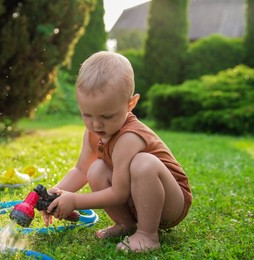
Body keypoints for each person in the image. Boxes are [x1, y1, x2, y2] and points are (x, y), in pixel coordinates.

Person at [42, 51, 192, 253]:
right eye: (87, 114)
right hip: (136, 201)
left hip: (169, 203)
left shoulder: (129, 137)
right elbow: (81, 170)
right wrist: (55, 193)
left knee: (143, 163)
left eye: (107, 116)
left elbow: (119, 193)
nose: (96, 124)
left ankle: (148, 235)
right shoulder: (94, 132)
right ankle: (126, 224)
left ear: (130, 104)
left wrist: (75, 200)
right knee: (95, 169)